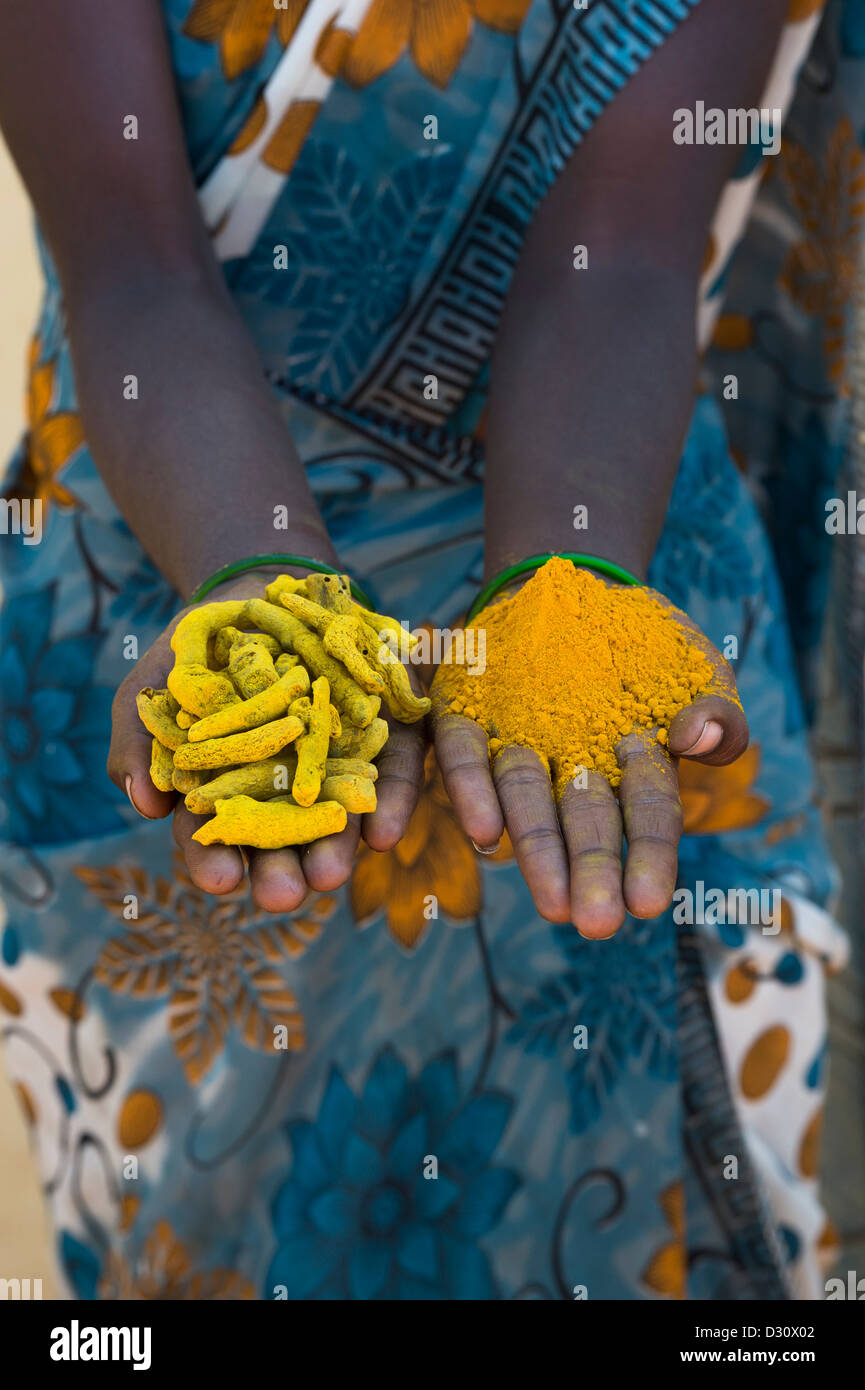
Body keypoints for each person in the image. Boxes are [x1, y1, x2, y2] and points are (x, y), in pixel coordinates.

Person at [0, 0, 856, 1300]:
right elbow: (128, 258)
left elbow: (619, 253)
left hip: (596, 589)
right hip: (164, 584)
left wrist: (564, 584)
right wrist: (262, 583)